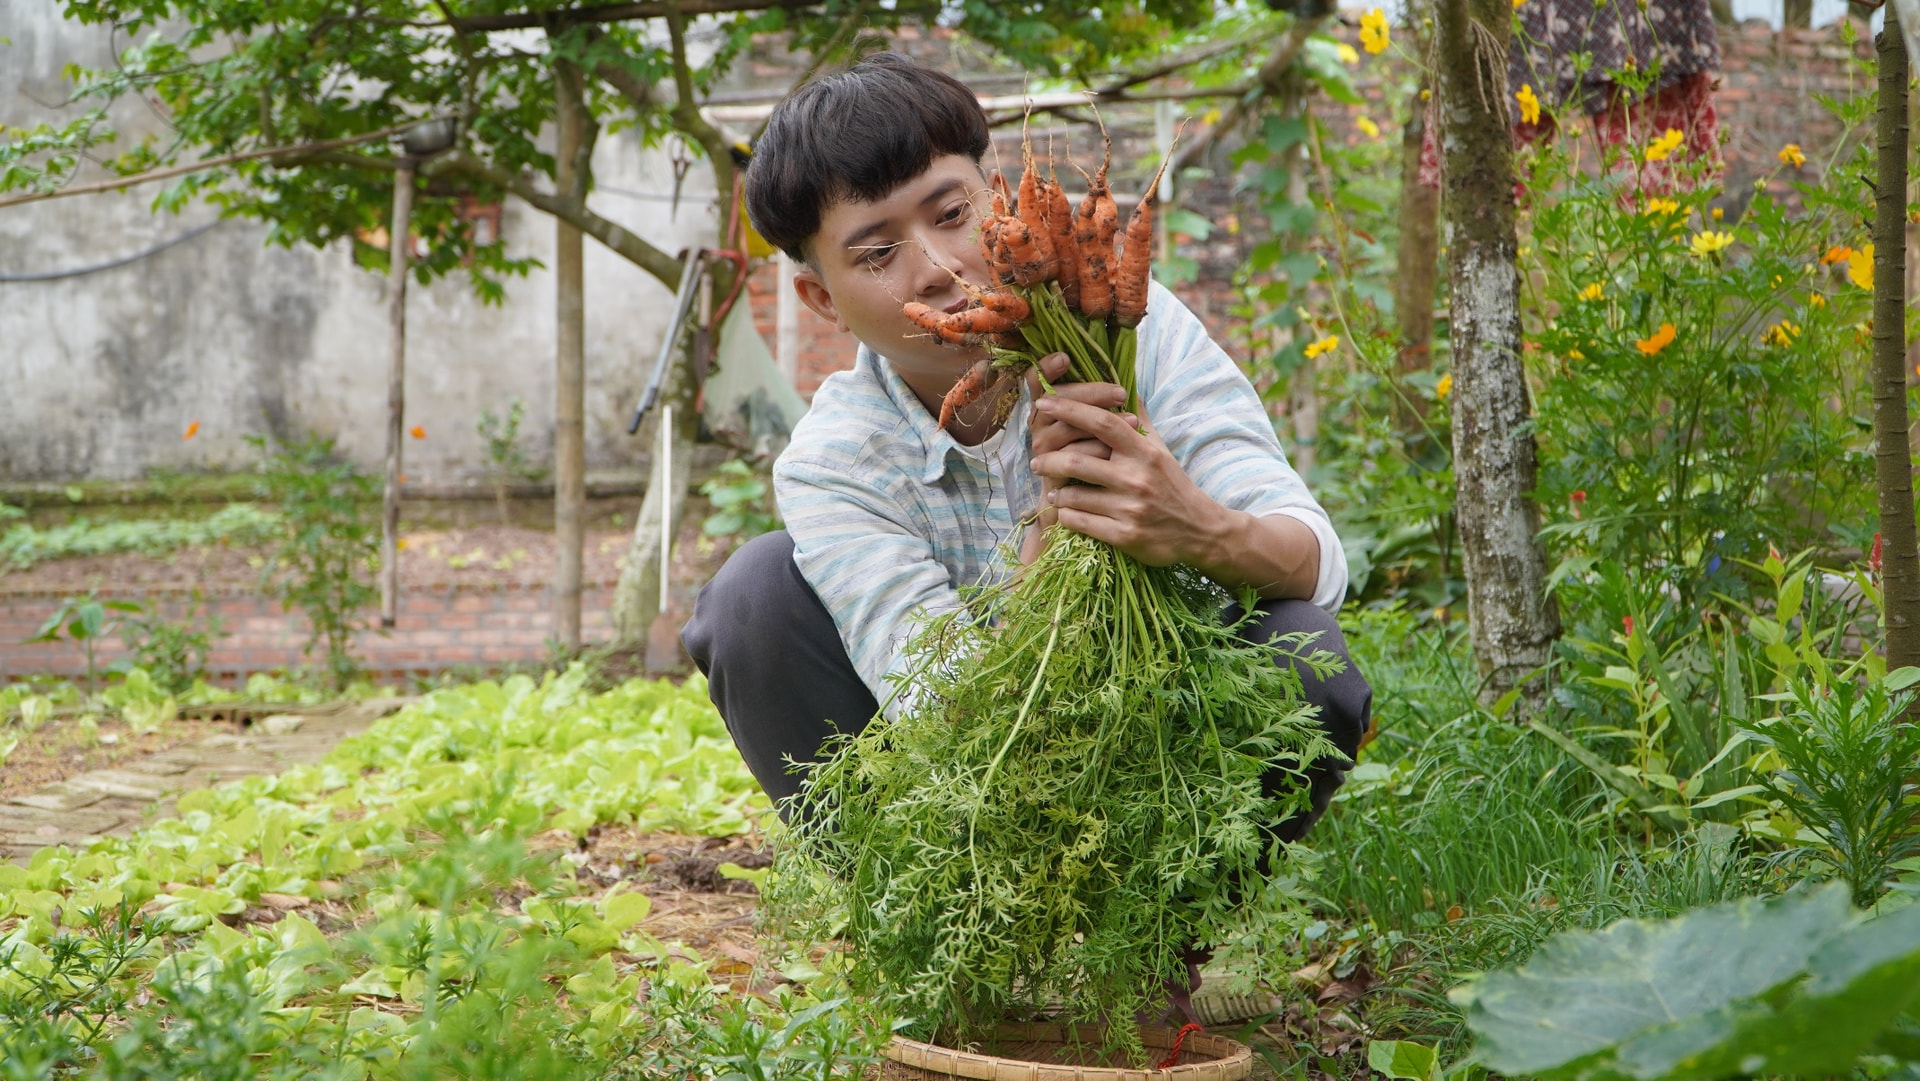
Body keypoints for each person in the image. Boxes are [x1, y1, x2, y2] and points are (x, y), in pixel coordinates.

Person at [682, 49, 1369, 904]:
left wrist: (1197, 527)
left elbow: (1318, 562)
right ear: (821, 300)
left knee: (1307, 652)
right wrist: (1046, 550)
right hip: (966, 803)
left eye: (952, 212)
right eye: (877, 252)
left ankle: (1169, 950)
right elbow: (944, 721)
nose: (937, 265)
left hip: (1166, 750)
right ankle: (938, 951)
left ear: (997, 197)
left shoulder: (1135, 331)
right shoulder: (834, 462)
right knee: (750, 595)